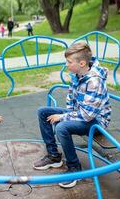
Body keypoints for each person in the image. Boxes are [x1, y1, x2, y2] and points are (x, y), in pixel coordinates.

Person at [33, 42, 112, 188]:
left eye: (69, 62)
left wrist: (63, 117)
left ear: (82, 63)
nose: (66, 64)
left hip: (96, 120)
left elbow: (88, 115)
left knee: (62, 127)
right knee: (43, 112)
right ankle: (54, 156)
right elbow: (71, 97)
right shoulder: (76, 74)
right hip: (80, 113)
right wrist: (67, 113)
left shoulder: (94, 81)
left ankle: (74, 167)